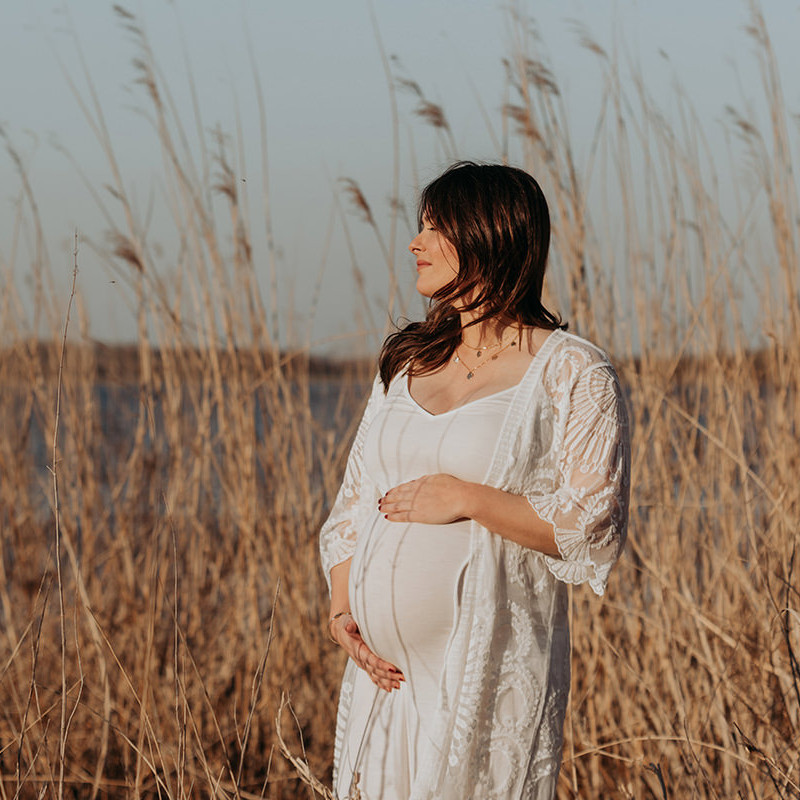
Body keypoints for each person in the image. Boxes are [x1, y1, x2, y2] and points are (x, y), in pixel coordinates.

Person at [320, 161, 630, 800]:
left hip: (481, 675)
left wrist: (467, 498)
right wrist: (344, 607)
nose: (415, 243)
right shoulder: (407, 362)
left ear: (491, 235)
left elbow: (589, 523)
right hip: (384, 680)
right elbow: (354, 501)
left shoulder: (573, 372)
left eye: (437, 228)